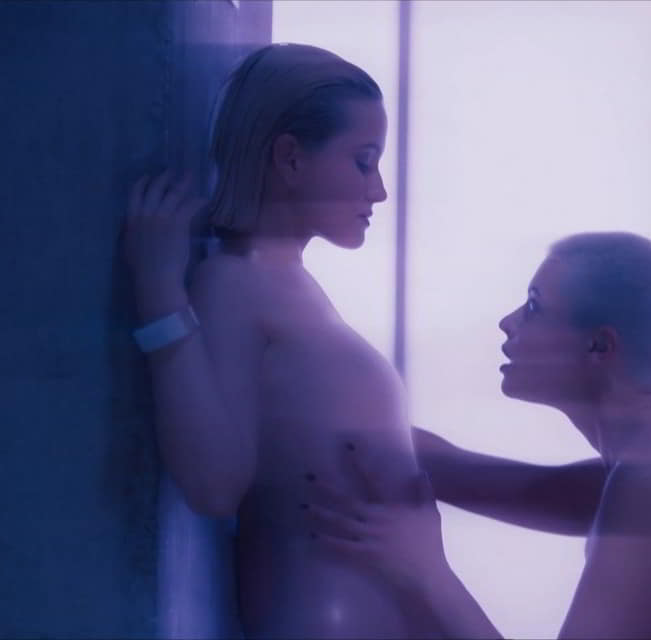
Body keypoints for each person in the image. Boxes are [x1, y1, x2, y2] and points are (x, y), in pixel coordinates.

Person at [306, 232, 651, 639]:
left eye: (534, 306)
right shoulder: (645, 466)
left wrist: (426, 571)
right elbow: (462, 473)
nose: (508, 322)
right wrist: (313, 400)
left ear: (599, 346)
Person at [120, 43, 429, 638]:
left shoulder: (295, 287)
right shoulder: (234, 282)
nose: (379, 191)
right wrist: (158, 291)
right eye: (363, 161)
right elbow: (214, 483)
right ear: (289, 157)